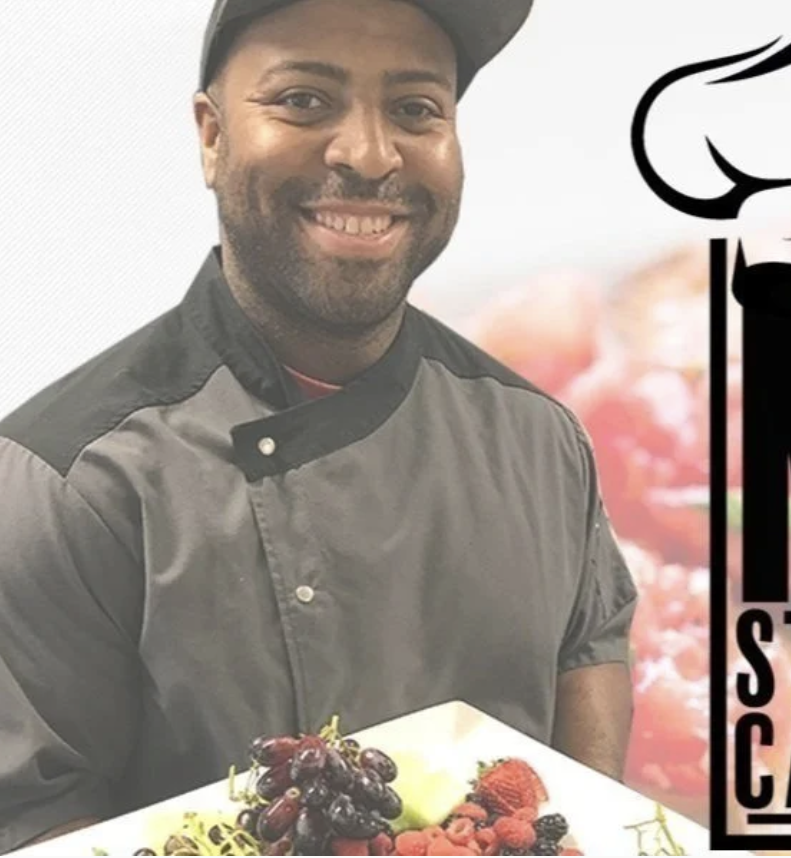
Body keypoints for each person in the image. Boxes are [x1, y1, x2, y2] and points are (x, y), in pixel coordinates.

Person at [0, 0, 637, 850]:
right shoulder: (68, 477)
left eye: (414, 108)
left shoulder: (539, 439)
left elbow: (589, 645)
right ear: (212, 136)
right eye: (304, 100)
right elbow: (30, 817)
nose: (369, 154)